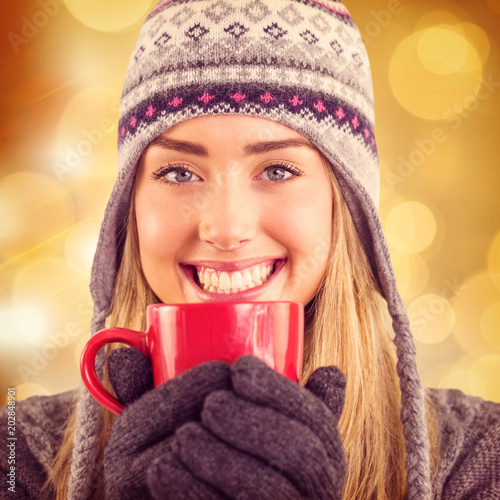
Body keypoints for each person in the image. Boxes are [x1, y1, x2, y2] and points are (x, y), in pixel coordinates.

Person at [1, 0, 499, 498]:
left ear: (345, 203)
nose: (225, 227)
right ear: (128, 208)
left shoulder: (480, 455)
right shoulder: (15, 451)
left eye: (278, 170)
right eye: (178, 172)